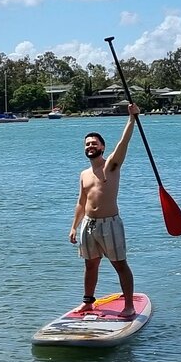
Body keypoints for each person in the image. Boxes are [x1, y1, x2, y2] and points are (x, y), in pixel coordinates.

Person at [68, 102, 140, 318]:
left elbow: (123, 143)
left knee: (120, 265)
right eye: (87, 144)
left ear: (102, 147)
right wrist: (74, 227)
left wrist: (132, 119)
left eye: (94, 144)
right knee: (90, 265)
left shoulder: (111, 166)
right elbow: (81, 202)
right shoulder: (83, 174)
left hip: (110, 223)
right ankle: (88, 302)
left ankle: (129, 305)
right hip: (88, 225)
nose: (90, 146)